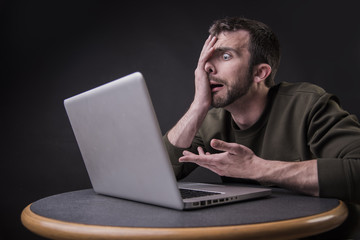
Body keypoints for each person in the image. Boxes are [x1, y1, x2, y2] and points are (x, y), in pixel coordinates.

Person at [162, 16, 360, 203]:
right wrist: (197, 107)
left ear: (260, 73)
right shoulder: (210, 123)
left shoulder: (308, 104)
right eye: (207, 57)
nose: (207, 68)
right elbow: (155, 174)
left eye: (225, 56)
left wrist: (255, 168)